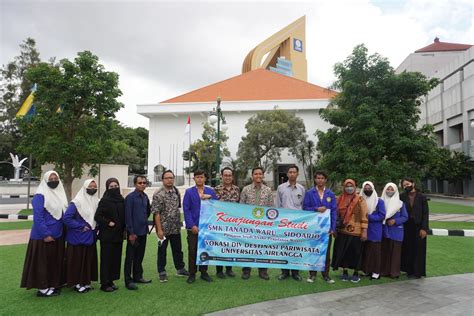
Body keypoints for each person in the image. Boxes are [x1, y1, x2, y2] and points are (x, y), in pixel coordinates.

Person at [21, 170, 68, 297]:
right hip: (43, 237)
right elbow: (38, 217)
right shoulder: (40, 196)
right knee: (42, 263)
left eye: (55, 178)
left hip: (58, 235)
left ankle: (53, 284)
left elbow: (63, 213)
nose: (54, 181)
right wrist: (46, 234)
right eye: (51, 179)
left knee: (54, 262)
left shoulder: (59, 195)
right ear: (45, 180)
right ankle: (42, 289)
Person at [151, 170, 189, 283]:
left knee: (178, 250)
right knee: (162, 251)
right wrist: (159, 230)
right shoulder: (158, 194)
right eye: (167, 178)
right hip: (163, 228)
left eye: (171, 178)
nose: (169, 180)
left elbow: (177, 208)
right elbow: (156, 213)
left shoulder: (176, 191)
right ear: (162, 180)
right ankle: (162, 272)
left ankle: (180, 269)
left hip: (175, 227)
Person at [64, 179, 99, 293]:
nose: (93, 189)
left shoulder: (96, 201)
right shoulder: (77, 202)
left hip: (90, 237)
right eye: (90, 187)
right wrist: (80, 226)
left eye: (95, 187)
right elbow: (67, 218)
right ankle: (78, 283)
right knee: (78, 261)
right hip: (77, 238)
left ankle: (85, 282)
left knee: (87, 260)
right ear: (84, 188)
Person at [239, 167, 274, 281]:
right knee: (247, 247)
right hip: (248, 225)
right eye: (256, 174)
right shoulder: (245, 189)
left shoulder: (268, 190)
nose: (258, 176)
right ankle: (246, 270)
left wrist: (268, 223)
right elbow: (241, 207)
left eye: (260, 174)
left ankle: (263, 271)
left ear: (263, 175)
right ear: (252, 176)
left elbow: (271, 208)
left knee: (262, 247)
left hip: (263, 225)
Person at [183, 170, 217, 284]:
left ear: (205, 178)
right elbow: (186, 210)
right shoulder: (189, 192)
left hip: (207, 227)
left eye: (201, 177)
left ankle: (204, 272)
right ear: (194, 179)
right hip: (193, 227)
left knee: (205, 249)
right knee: (193, 250)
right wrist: (191, 225)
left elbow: (215, 207)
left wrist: (210, 198)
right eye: (197, 177)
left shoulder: (211, 192)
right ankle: (192, 273)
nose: (199, 179)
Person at [303, 171, 337, 284]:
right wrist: (316, 209)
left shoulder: (330, 194)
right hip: (314, 227)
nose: (320, 180)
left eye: (322, 178)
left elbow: (334, 212)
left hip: (326, 229)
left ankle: (326, 275)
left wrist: (333, 228)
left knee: (326, 253)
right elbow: (305, 208)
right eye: (318, 178)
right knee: (313, 251)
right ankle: (312, 275)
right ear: (315, 180)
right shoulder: (309, 193)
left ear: (325, 180)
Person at [331, 179, 368, 283]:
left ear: (355, 187)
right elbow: (334, 213)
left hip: (356, 232)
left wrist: (364, 231)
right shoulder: (339, 199)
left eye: (351, 185)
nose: (349, 188)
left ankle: (356, 273)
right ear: (344, 187)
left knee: (356, 253)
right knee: (344, 252)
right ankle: (345, 272)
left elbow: (365, 216)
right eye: (347, 186)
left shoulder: (360, 200)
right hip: (342, 231)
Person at [94, 178, 125, 292]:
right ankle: (104, 283)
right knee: (106, 259)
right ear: (107, 188)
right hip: (107, 236)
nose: (114, 188)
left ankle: (111, 281)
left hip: (118, 235)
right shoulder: (104, 201)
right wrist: (108, 222)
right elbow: (97, 216)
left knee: (115, 259)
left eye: (116, 186)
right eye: (111, 186)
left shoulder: (121, 200)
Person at [276, 165, 305, 281]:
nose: (292, 174)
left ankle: (295, 273)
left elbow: (304, 207)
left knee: (296, 248)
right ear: (287, 174)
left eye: (294, 172)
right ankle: (284, 272)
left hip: (297, 224)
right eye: (290, 172)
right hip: (284, 223)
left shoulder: (302, 189)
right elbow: (277, 206)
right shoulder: (281, 188)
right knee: (285, 248)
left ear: (297, 174)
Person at [124, 175, 152, 290]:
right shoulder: (130, 198)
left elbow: (147, 212)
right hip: (133, 233)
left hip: (143, 232)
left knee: (139, 256)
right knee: (130, 257)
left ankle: (138, 276)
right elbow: (127, 216)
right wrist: (131, 232)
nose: (142, 185)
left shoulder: (145, 197)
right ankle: (128, 280)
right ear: (135, 184)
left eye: (144, 183)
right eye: (140, 183)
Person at [400, 177, 429, 279]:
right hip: (407, 226)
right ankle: (409, 271)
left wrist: (424, 228)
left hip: (419, 226)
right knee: (408, 248)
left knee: (419, 249)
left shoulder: (421, 197)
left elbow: (425, 213)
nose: (406, 186)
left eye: (407, 184)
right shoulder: (402, 196)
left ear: (413, 183)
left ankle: (418, 272)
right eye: (404, 185)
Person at [214, 167, 240, 279]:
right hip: (220, 223)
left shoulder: (237, 189)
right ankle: (219, 270)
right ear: (222, 176)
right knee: (219, 246)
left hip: (233, 224)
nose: (228, 177)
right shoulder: (215, 189)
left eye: (230, 175)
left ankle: (229, 269)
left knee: (230, 246)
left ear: (232, 177)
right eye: (225, 175)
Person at [380, 182, 408, 279]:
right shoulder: (380, 201)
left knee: (395, 253)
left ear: (395, 191)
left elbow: (405, 217)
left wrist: (395, 221)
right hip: (384, 230)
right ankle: (384, 271)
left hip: (396, 231)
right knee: (385, 252)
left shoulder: (400, 204)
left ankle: (394, 273)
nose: (390, 191)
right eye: (388, 189)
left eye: (392, 189)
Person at [360, 181, 386, 280]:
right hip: (363, 230)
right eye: (365, 188)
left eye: (369, 188)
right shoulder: (360, 200)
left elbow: (382, 215)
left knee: (375, 252)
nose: (367, 190)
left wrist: (368, 217)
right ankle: (367, 270)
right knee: (367, 252)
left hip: (375, 230)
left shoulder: (379, 201)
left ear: (373, 188)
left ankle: (376, 272)